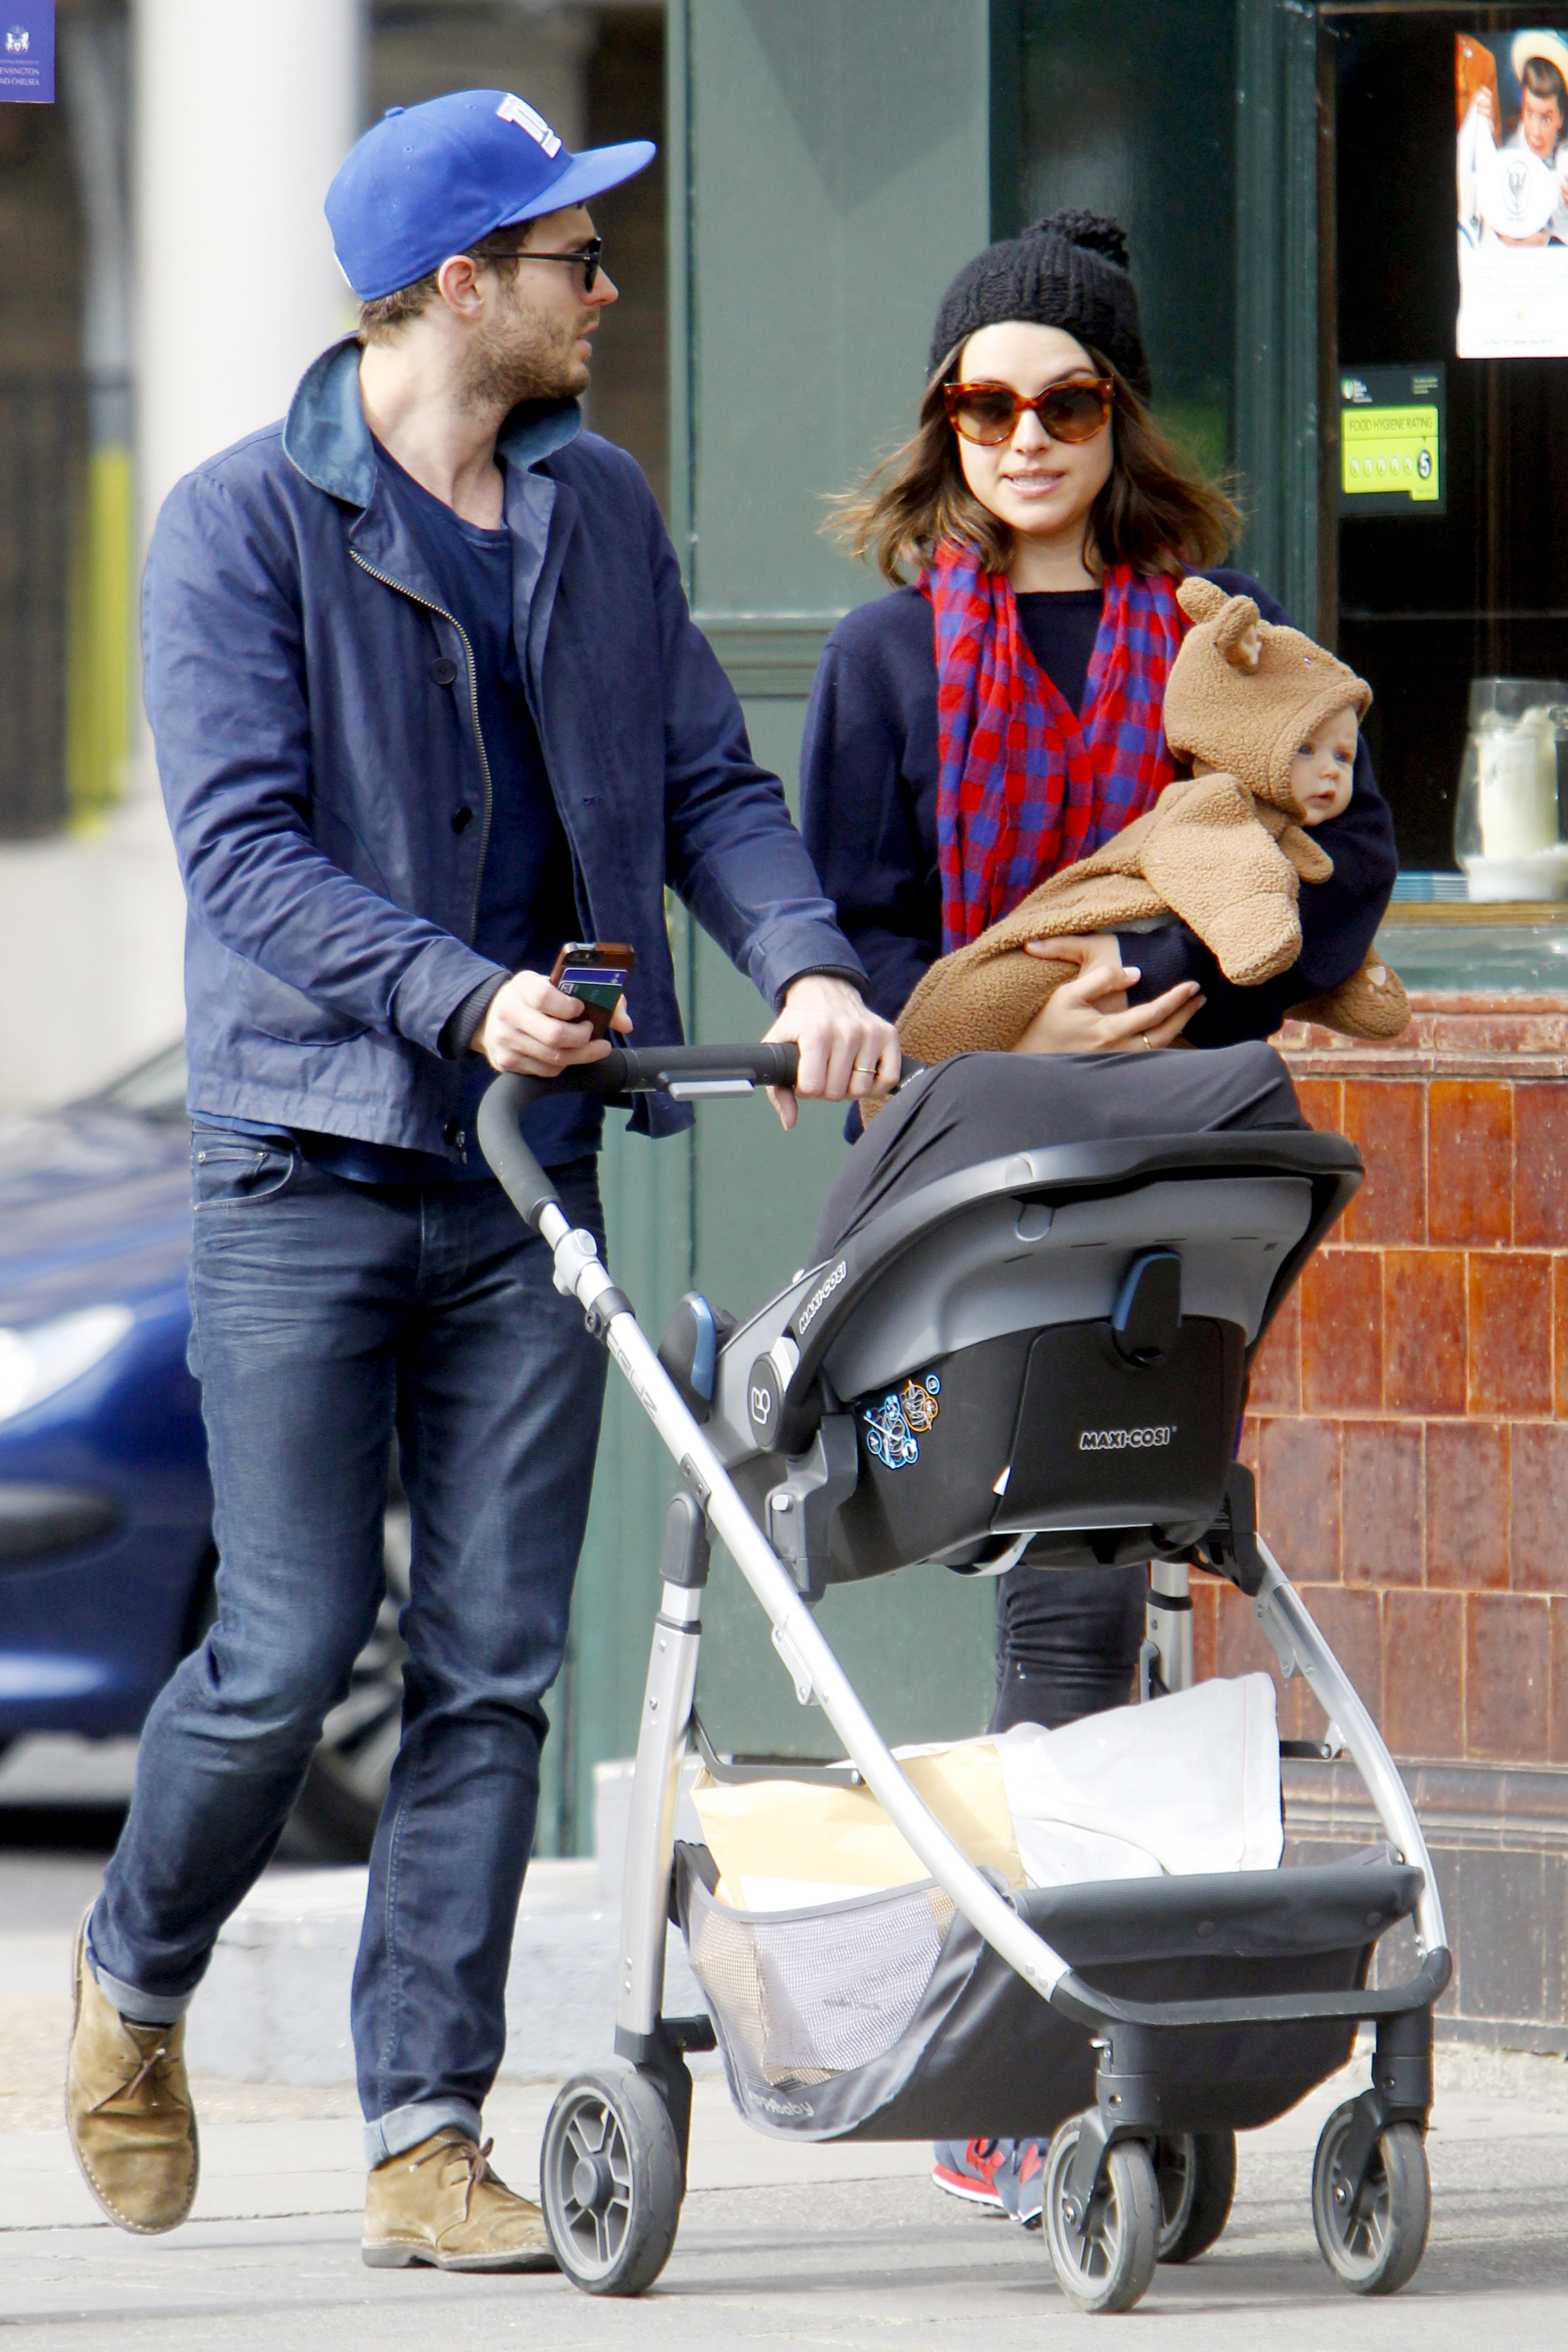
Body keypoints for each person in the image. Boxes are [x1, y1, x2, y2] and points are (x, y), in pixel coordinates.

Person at [65, 88, 897, 2273]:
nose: (608, 291)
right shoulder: (241, 529)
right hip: (308, 1164)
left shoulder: (592, 505)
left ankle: (424, 2138)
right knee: (280, 1650)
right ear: (460, 283)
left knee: (495, 1668)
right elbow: (245, 857)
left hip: (531, 1178)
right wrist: (461, 996)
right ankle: (132, 1973)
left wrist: (809, 965)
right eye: (573, 258)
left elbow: (706, 778)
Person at [798, 207, 1395, 2221]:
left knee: (1118, 1550)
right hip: (988, 1172)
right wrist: (1015, 1010)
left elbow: (1349, 855)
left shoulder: (1225, 630)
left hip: (1185, 1156)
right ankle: (1054, 2057)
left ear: (1120, 416)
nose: (1027, 438)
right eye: (988, 406)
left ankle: (1087, 2044)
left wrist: (1181, 981)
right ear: (946, 423)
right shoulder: (888, 656)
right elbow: (858, 936)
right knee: (1067, 1564)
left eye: (1065, 402)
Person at [893, 576, 1406, 1065]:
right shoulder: (890, 640)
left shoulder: (1255, 636)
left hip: (1173, 1073)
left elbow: (1348, 871)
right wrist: (1019, 1054)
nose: (1331, 770)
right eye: (1307, 749)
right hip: (983, 1062)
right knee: (988, 994)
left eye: (1342, 757)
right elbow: (868, 930)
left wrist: (1154, 969)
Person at [1459, 36, 1568, 246]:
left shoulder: (1564, 163)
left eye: (1546, 119)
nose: (1535, 132)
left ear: (1561, 119)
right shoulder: (1505, 158)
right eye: (1530, 113)